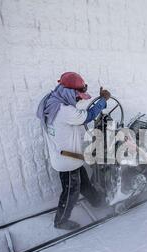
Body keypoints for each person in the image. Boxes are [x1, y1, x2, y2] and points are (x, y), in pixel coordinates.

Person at [36, 72, 111, 230]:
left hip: (66, 156)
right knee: (71, 192)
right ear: (69, 92)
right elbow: (88, 115)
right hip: (67, 160)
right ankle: (61, 221)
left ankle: (98, 202)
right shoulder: (64, 111)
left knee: (83, 183)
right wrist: (103, 101)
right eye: (77, 96)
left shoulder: (52, 102)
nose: (78, 99)